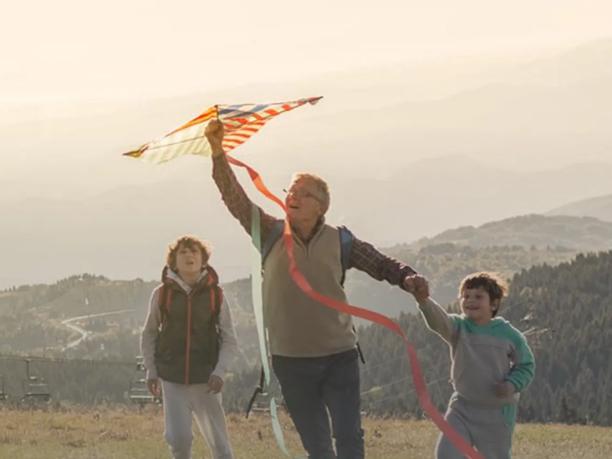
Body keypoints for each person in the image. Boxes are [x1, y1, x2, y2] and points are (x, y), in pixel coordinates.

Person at [204, 119, 417, 459]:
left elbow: (380, 264)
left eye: (305, 192)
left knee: (349, 439)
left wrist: (408, 277)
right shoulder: (269, 232)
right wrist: (217, 151)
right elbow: (235, 199)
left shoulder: (341, 240)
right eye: (291, 190)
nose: (294, 196)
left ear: (321, 206)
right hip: (291, 360)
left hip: (339, 356)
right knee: (317, 446)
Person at [404, 271, 535, 459]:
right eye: (466, 296)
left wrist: (512, 384)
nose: (470, 300)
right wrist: (423, 301)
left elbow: (526, 365)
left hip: (496, 414)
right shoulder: (458, 327)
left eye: (478, 296)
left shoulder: (509, 335)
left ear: (494, 304)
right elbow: (439, 322)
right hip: (462, 408)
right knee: (446, 455)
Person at [141, 235, 237, 459]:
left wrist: (220, 372)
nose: (189, 255)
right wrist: (151, 370)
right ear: (173, 262)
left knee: (220, 446)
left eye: (194, 251)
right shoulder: (161, 294)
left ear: (204, 260)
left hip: (206, 381)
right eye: (182, 252)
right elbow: (149, 334)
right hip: (171, 379)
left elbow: (230, 339)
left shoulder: (216, 295)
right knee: (178, 440)